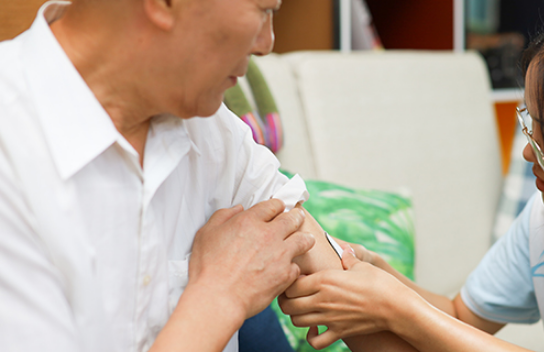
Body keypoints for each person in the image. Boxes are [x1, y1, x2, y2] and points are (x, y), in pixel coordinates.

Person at [280, 5, 544, 352]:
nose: (527, 152)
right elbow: (462, 317)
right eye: (530, 126)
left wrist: (399, 308)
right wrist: (384, 277)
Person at [0, 0, 345, 351]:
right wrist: (220, 296)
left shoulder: (207, 126)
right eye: (263, 9)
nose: (266, 43)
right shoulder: (10, 149)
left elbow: (329, 266)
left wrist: (399, 308)